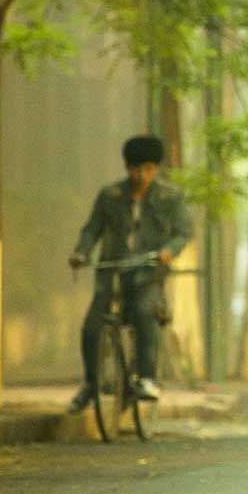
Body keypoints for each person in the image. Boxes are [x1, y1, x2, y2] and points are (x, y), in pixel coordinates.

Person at [66, 136, 194, 410]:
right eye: (136, 169)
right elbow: (92, 230)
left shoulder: (170, 197)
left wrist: (169, 250)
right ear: (127, 167)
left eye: (148, 169)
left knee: (145, 312)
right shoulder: (109, 195)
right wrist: (81, 253)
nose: (141, 175)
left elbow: (183, 232)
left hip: (149, 272)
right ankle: (90, 383)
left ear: (156, 169)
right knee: (91, 326)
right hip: (112, 271)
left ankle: (147, 378)